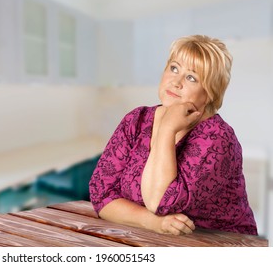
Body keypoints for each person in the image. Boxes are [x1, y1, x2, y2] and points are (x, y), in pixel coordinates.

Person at [89, 35, 258, 236]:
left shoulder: (218, 138)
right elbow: (101, 194)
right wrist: (152, 222)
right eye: (174, 68)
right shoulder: (136, 120)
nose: (176, 82)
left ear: (210, 93)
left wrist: (167, 128)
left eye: (192, 77)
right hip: (153, 240)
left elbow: (160, 202)